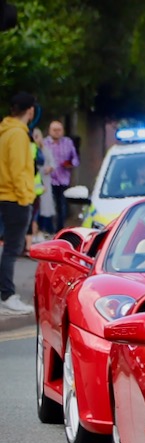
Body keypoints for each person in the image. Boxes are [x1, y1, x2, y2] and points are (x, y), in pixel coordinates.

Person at [0, 92, 37, 316]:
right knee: (13, 249)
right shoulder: (18, 135)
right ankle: (7, 294)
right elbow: (17, 170)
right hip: (15, 198)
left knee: (9, 248)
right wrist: (25, 197)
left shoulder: (6, 131)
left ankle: (5, 292)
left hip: (6, 196)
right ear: (30, 110)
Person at [44, 120, 78, 232]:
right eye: (54, 130)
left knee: (62, 205)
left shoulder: (68, 142)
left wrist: (71, 164)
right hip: (49, 179)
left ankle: (60, 229)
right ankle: (49, 228)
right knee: (49, 205)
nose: (57, 132)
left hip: (63, 179)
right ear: (49, 131)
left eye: (59, 130)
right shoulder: (44, 144)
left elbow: (75, 159)